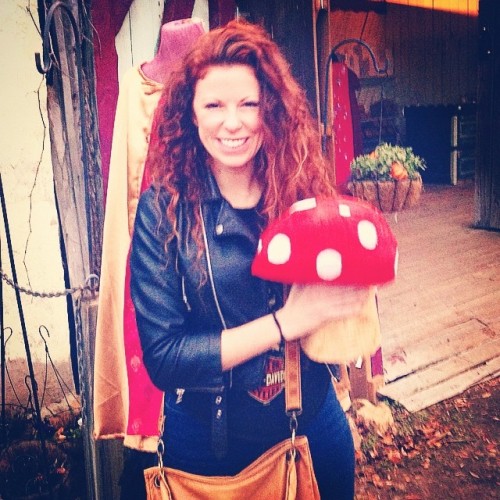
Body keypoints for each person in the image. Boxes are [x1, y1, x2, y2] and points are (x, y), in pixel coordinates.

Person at [130, 19, 368, 499]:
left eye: (249, 104)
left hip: (311, 424)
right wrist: (285, 322)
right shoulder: (163, 209)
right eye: (214, 105)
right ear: (191, 113)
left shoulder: (301, 186)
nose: (232, 122)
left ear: (271, 109)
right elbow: (166, 358)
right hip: (207, 444)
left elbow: (342, 292)